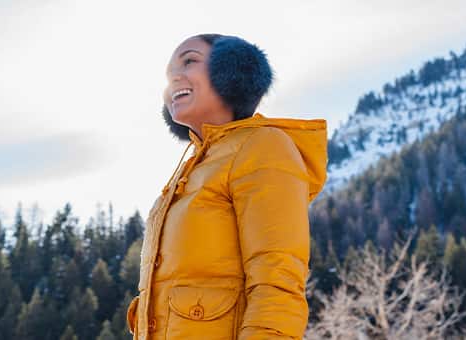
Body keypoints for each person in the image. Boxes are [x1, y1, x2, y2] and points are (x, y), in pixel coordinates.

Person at [126, 33, 328, 339]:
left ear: (232, 70)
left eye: (189, 61)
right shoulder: (191, 168)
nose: (173, 78)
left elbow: (277, 282)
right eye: (168, 74)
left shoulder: (264, 146)